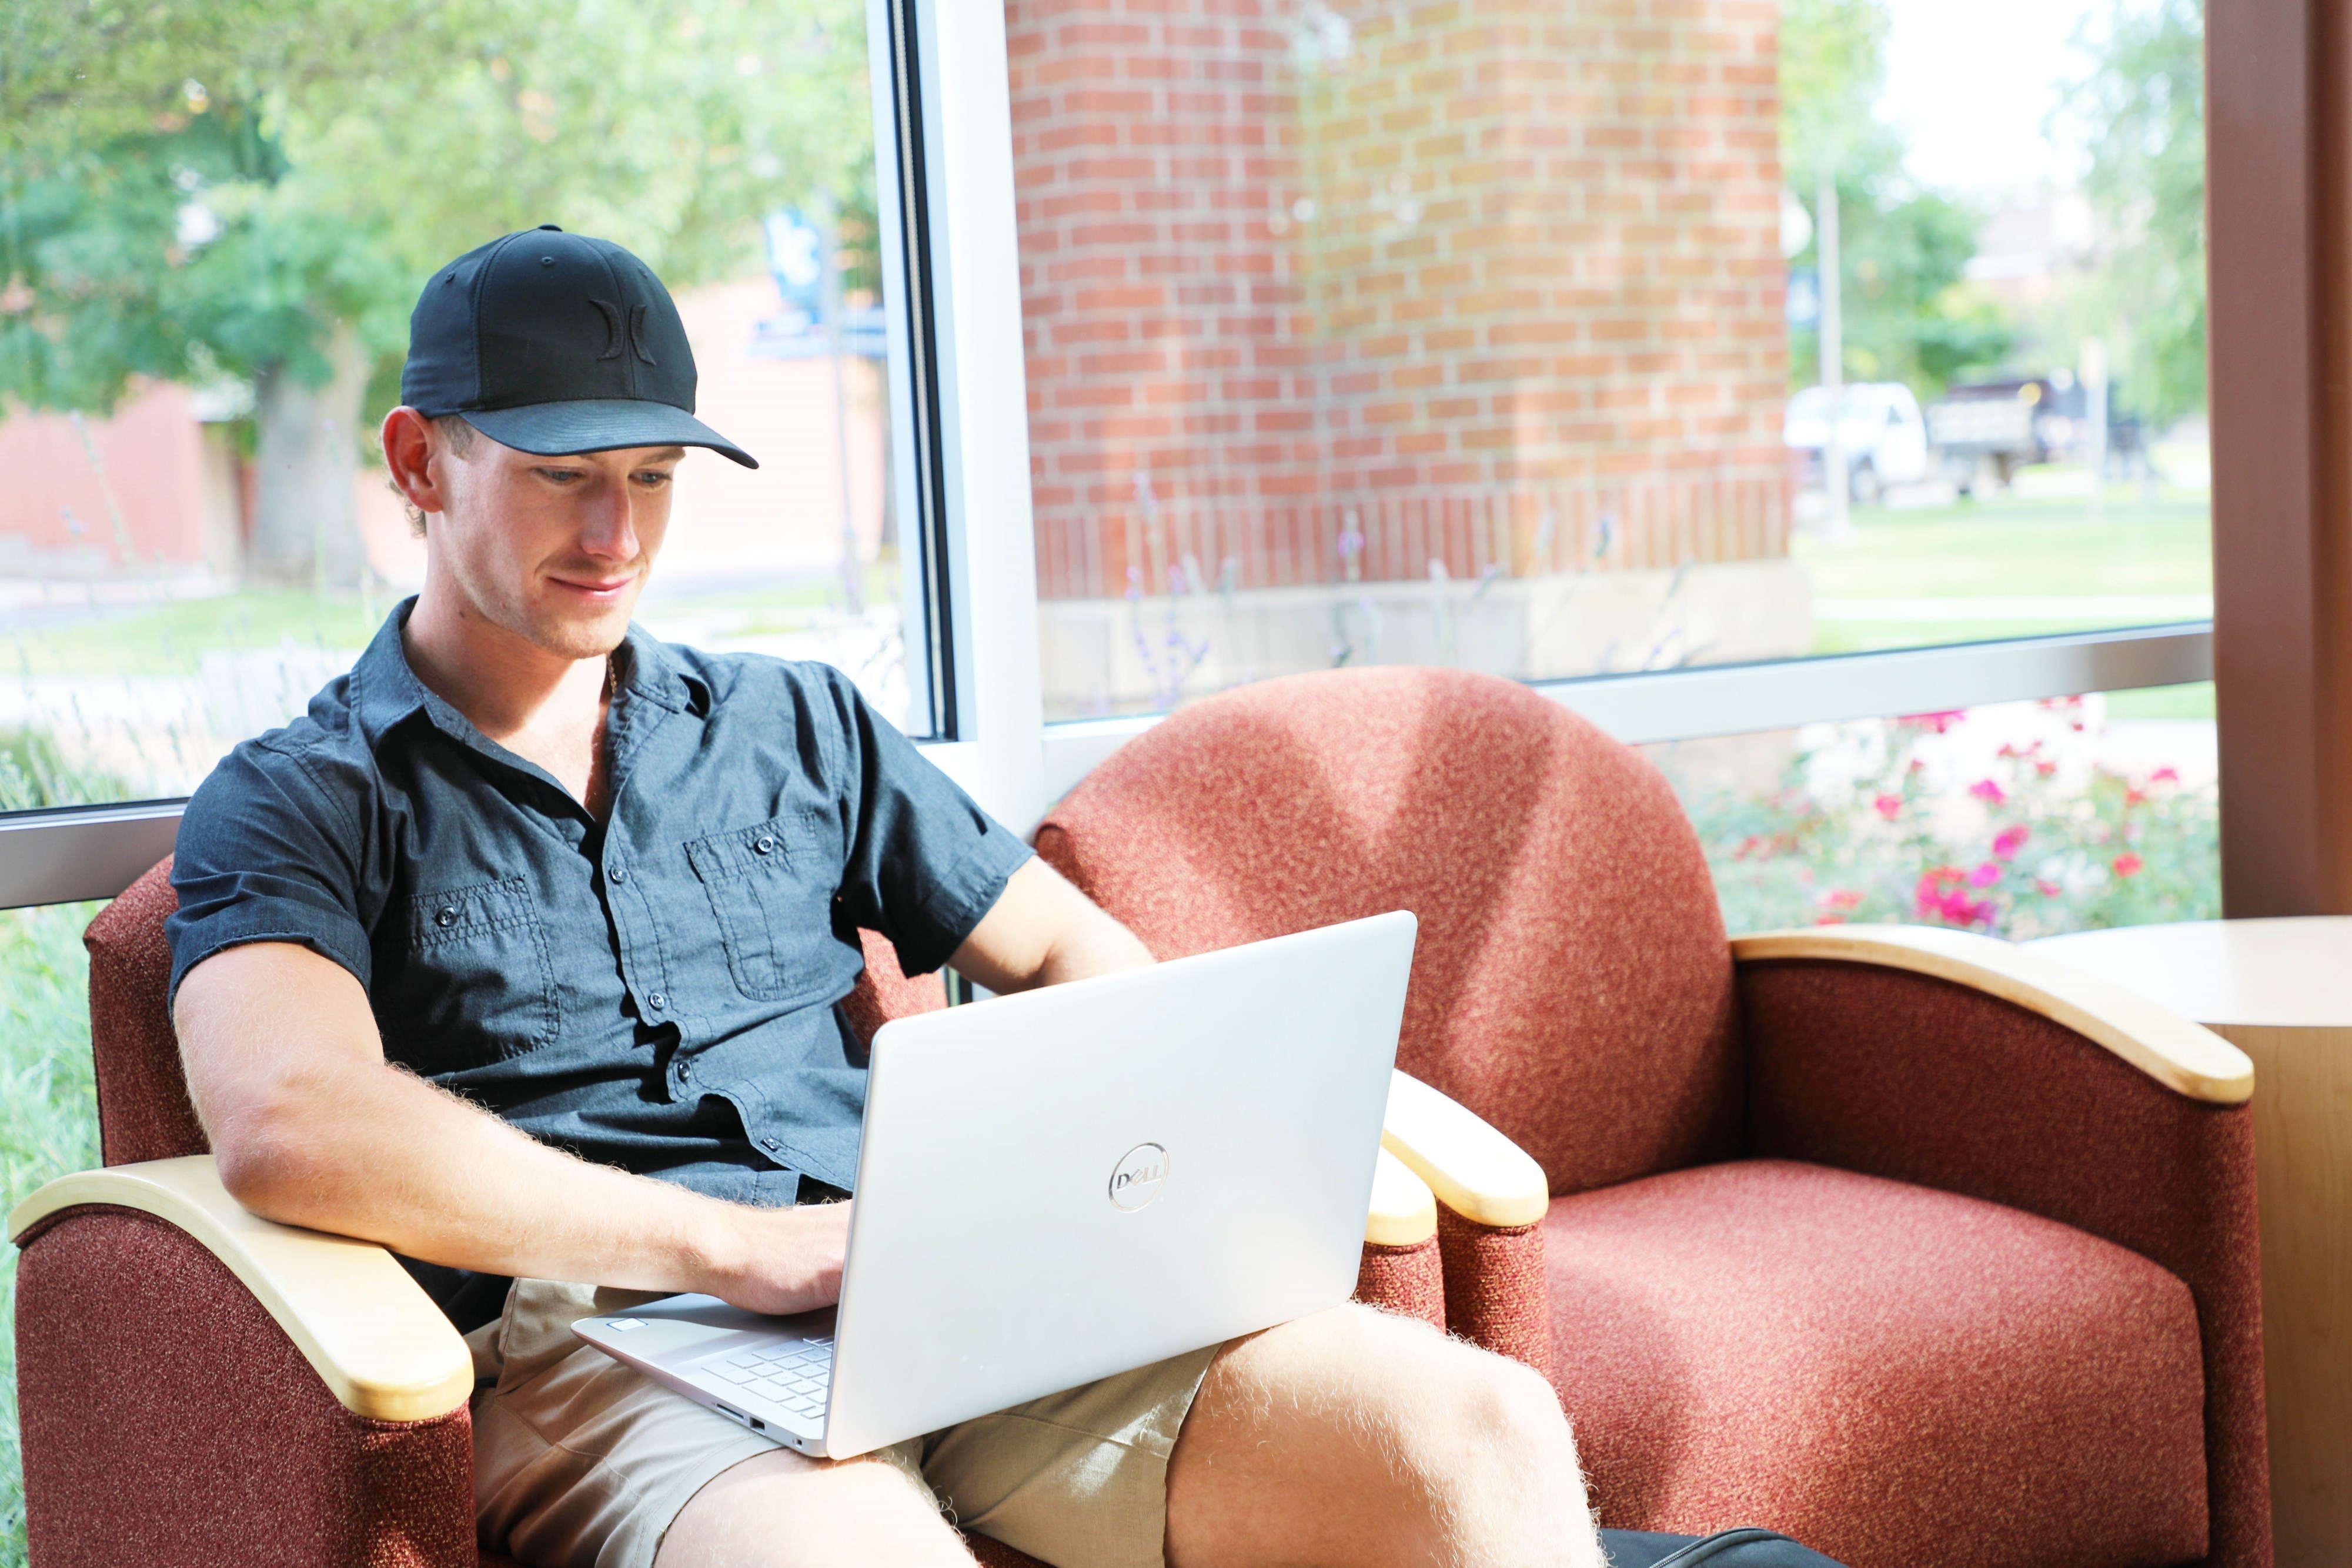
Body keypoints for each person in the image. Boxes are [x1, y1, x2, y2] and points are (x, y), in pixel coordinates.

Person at [166, 226, 1604, 1568]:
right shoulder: (303, 794)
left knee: (1476, 1431)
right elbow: (291, 1119)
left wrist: (1124, 1186)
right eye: (563, 474)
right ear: (418, 462)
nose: (617, 531)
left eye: (654, 477)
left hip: (924, 1283)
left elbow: (1054, 945)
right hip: (605, 1341)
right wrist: (737, 1248)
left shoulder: (796, 727)